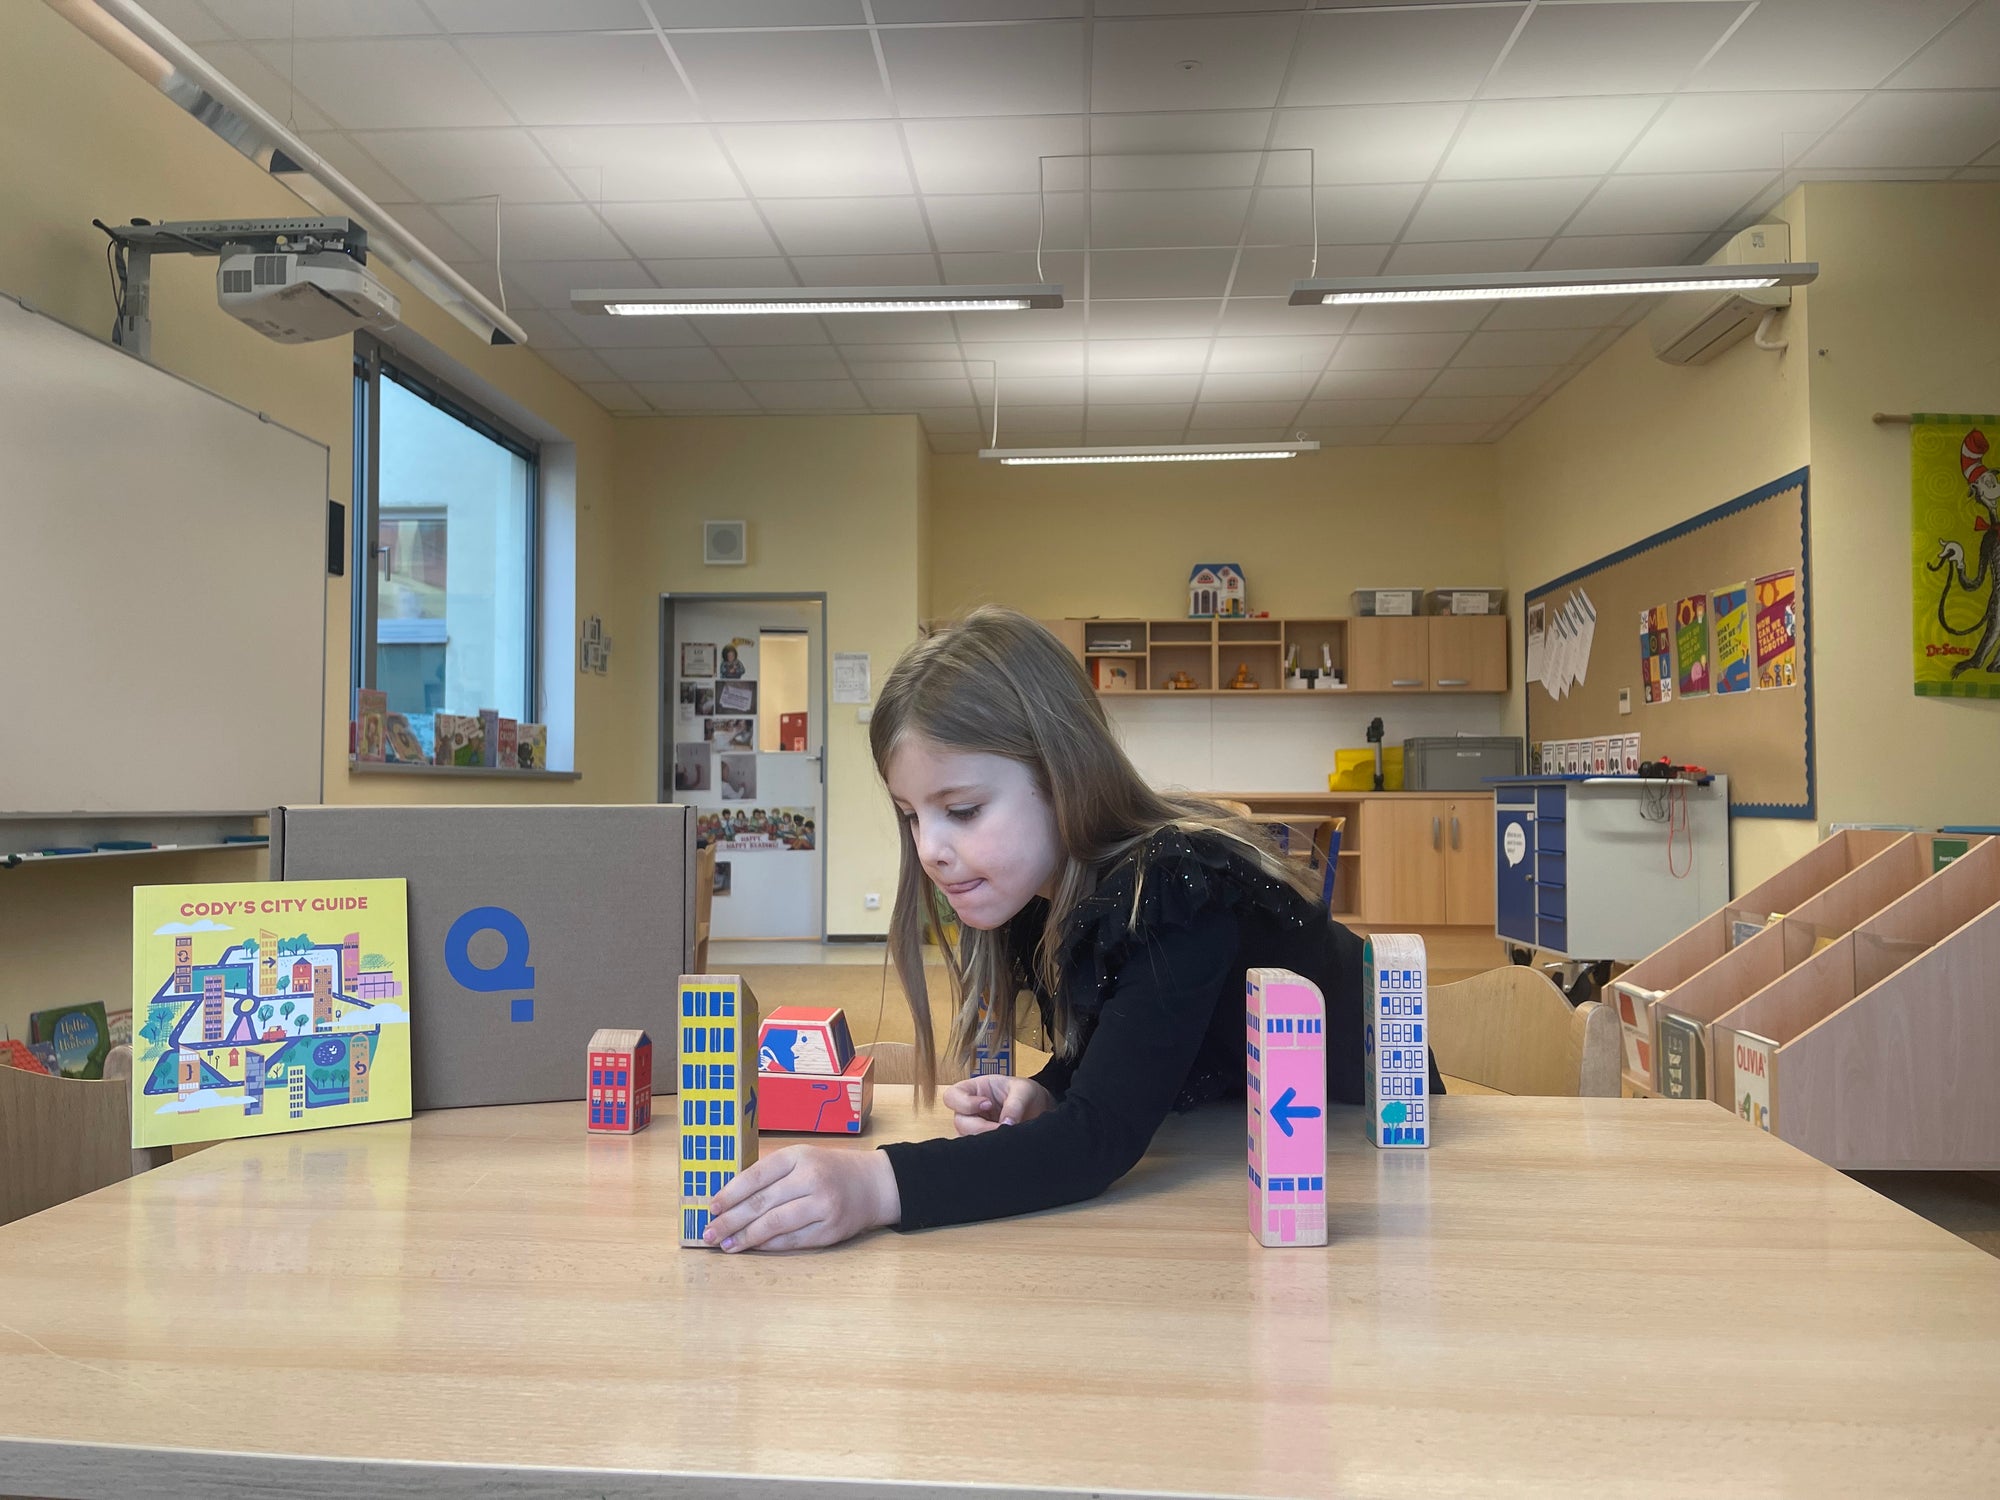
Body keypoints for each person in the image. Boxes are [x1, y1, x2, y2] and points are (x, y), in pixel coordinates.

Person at [702, 607, 1441, 1253]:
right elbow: (1145, 1043)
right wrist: (1054, 1088)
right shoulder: (1037, 896)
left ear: (1063, 776)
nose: (929, 848)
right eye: (911, 815)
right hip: (1250, 1149)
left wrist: (874, 1183)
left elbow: (1098, 1145)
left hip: (1379, 1155)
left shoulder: (1176, 887)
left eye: (960, 810)